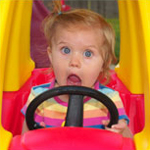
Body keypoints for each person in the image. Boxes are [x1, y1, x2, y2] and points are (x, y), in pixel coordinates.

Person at [21, 1, 133, 138]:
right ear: (51, 55)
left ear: (104, 63)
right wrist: (36, 134)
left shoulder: (110, 99)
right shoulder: (38, 98)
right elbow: (24, 140)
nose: (74, 62)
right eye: (66, 50)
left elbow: (128, 141)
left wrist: (121, 131)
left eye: (88, 53)